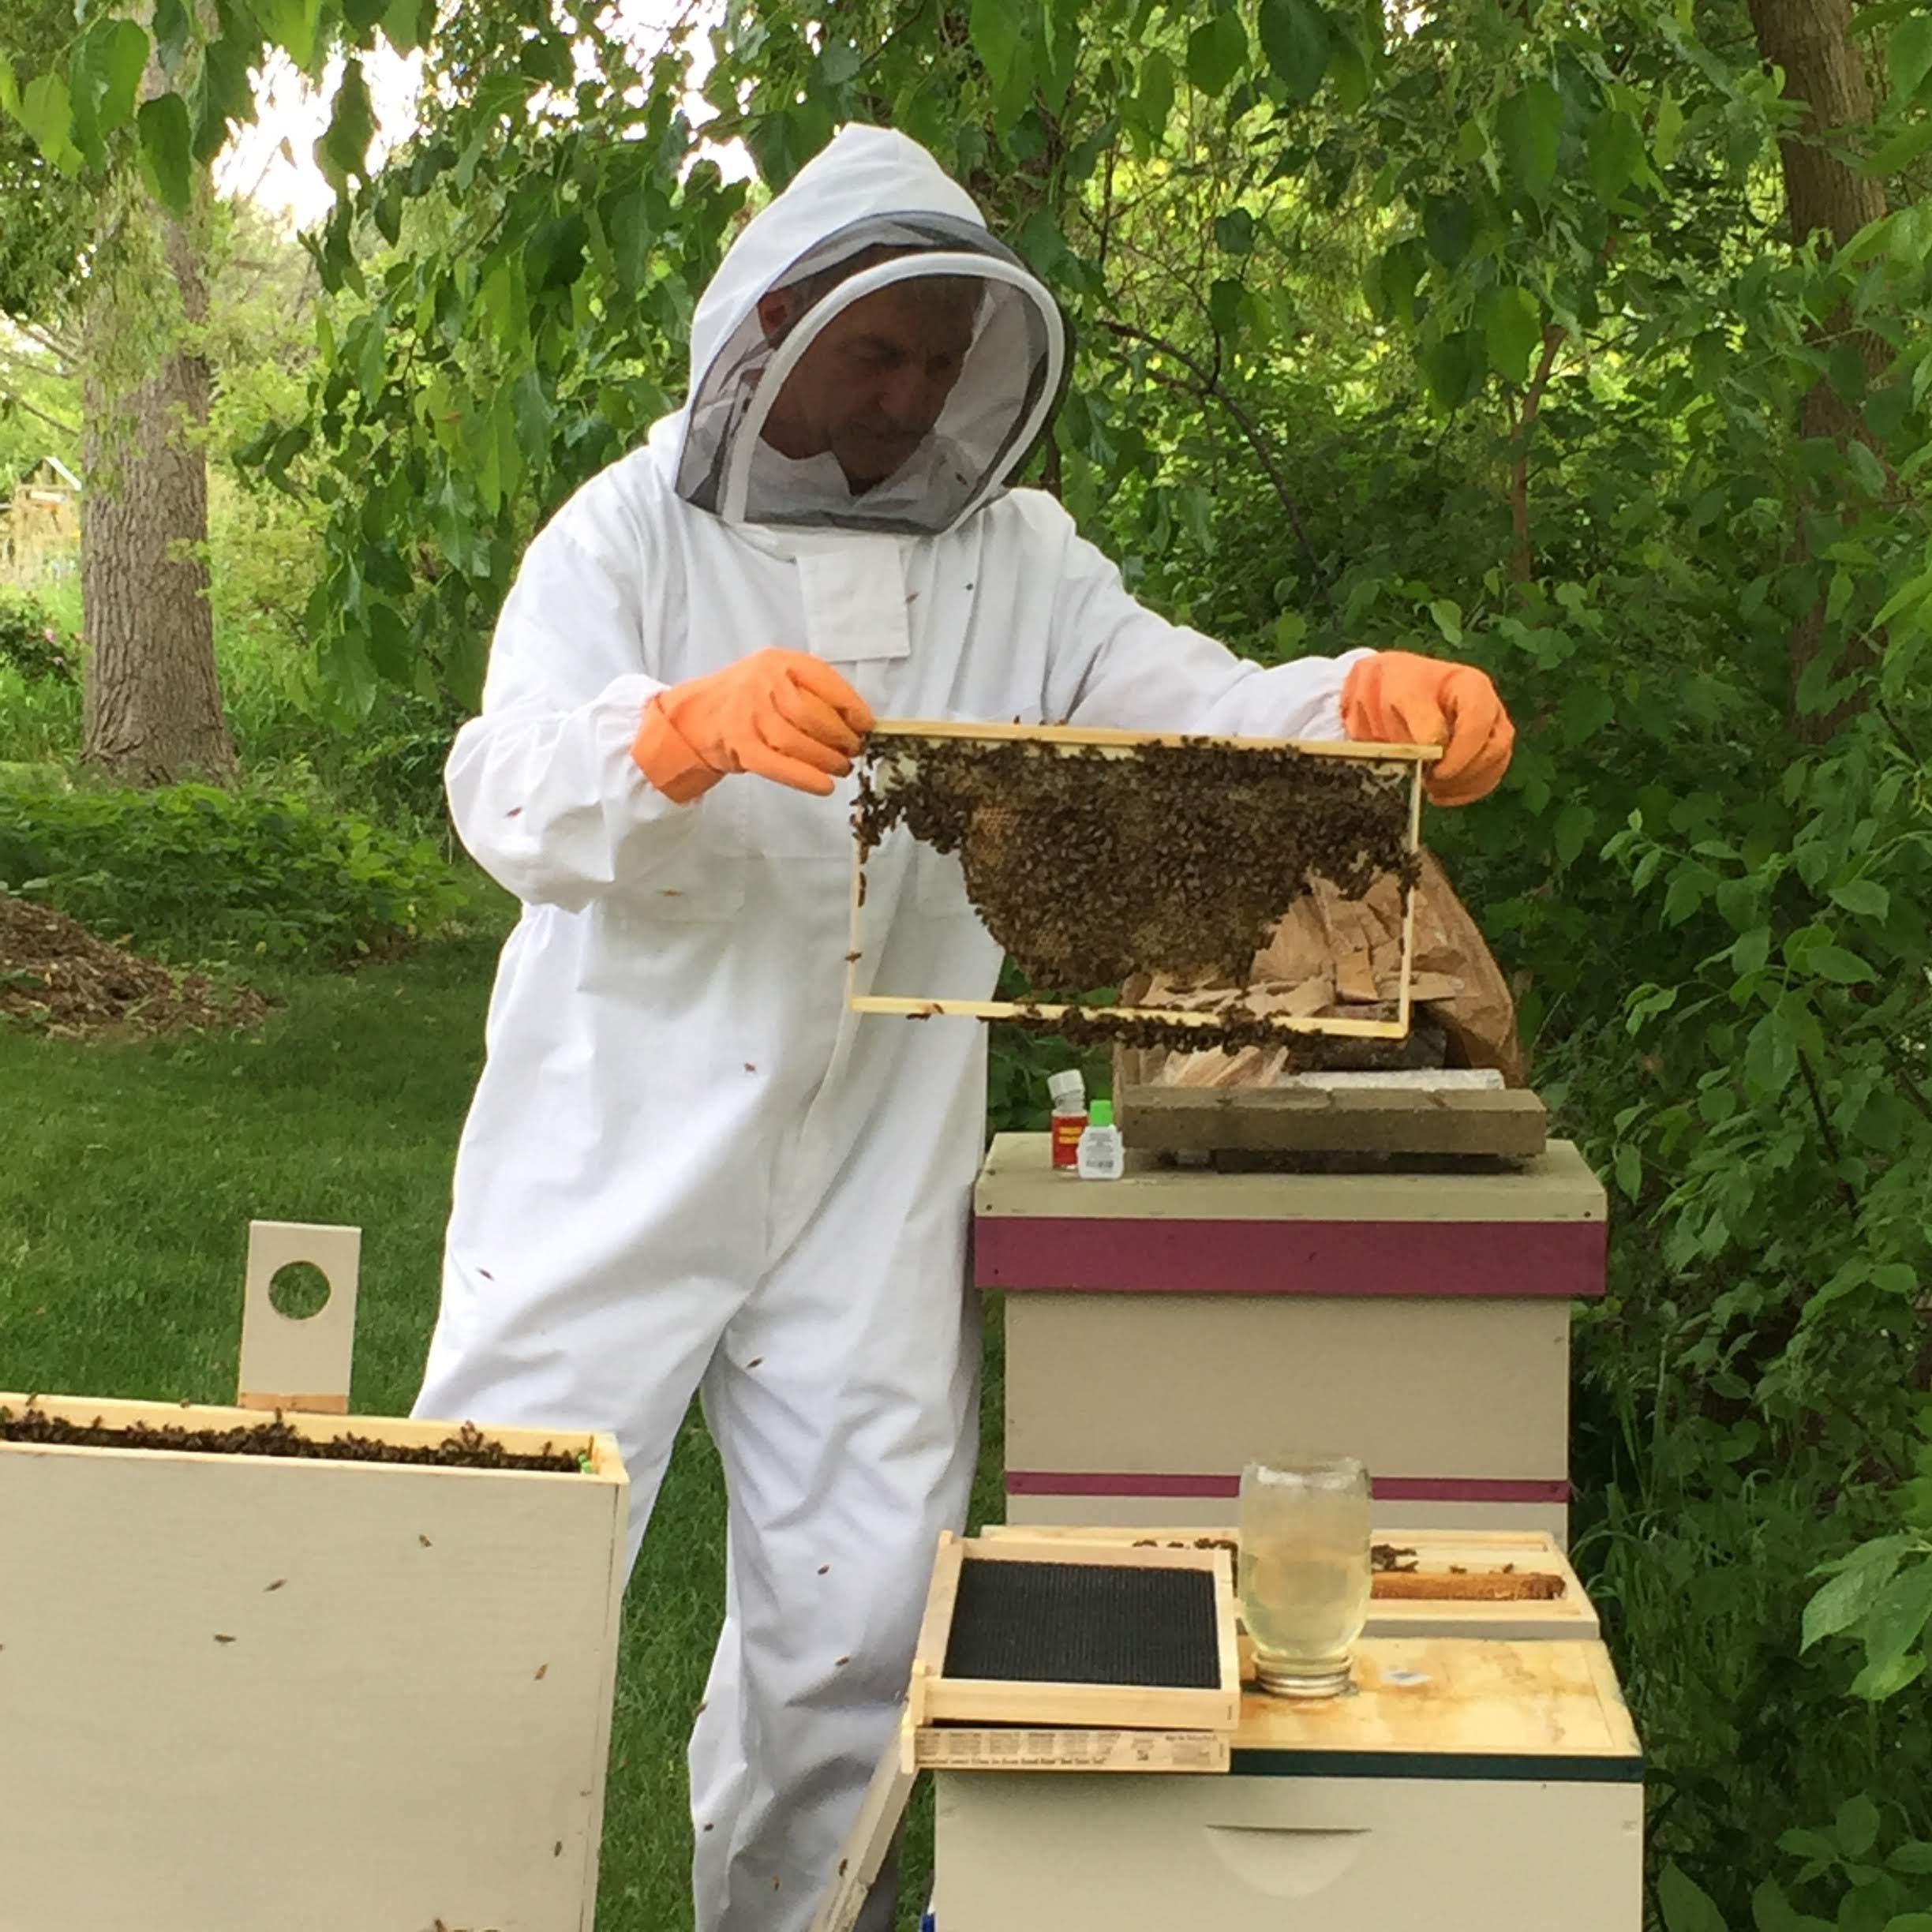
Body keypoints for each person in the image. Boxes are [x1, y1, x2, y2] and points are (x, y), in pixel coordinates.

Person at [414, 122, 1514, 1932]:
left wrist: (1362, 703)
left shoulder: (1026, 562)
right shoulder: (625, 534)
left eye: (941, 358)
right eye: (878, 351)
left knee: (856, 1630)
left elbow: (1195, 716)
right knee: (483, 1591)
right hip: (607, 1161)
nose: (912, 392)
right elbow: (504, 786)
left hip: (871, 1171)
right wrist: (676, 732)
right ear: (771, 329)